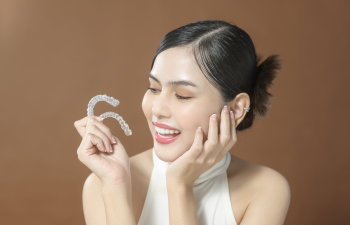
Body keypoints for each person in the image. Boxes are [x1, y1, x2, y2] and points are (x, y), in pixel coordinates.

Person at [74, 19, 291, 225]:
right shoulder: (104, 183)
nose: (157, 110)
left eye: (182, 95)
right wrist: (116, 184)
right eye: (154, 89)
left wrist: (180, 186)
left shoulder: (265, 189)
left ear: (235, 109)